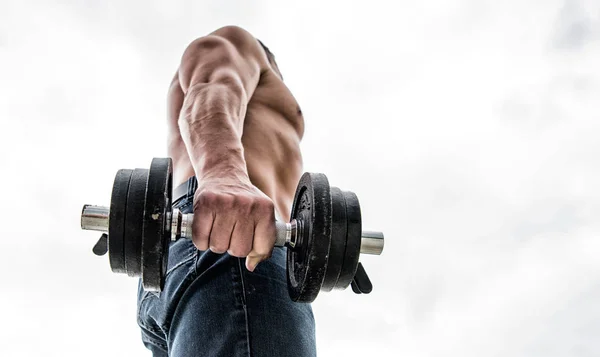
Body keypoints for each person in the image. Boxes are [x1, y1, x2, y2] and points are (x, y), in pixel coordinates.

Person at [136, 26, 316, 356]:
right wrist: (224, 174)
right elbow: (211, 89)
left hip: (202, 254)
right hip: (232, 240)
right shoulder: (238, 44)